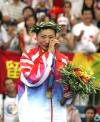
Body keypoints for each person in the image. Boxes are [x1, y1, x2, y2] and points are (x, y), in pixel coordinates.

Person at [17, 21, 74, 122]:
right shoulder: (28, 55)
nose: (47, 41)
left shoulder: (64, 59)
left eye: (51, 37)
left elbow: (66, 90)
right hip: (33, 111)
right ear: (36, 37)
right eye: (43, 37)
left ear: (56, 37)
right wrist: (49, 54)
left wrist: (68, 95)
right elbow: (32, 78)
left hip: (58, 112)